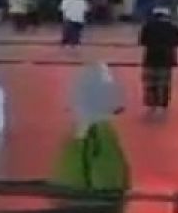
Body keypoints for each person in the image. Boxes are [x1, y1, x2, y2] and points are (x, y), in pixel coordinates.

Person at [53, 62, 130, 193]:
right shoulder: (101, 134)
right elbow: (108, 177)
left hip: (69, 194)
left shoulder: (76, 135)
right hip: (93, 200)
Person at [138, 7, 178, 112]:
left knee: (150, 82)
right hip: (167, 58)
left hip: (150, 57)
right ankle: (163, 103)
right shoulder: (174, 28)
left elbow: (142, 41)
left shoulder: (147, 27)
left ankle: (151, 103)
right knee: (164, 82)